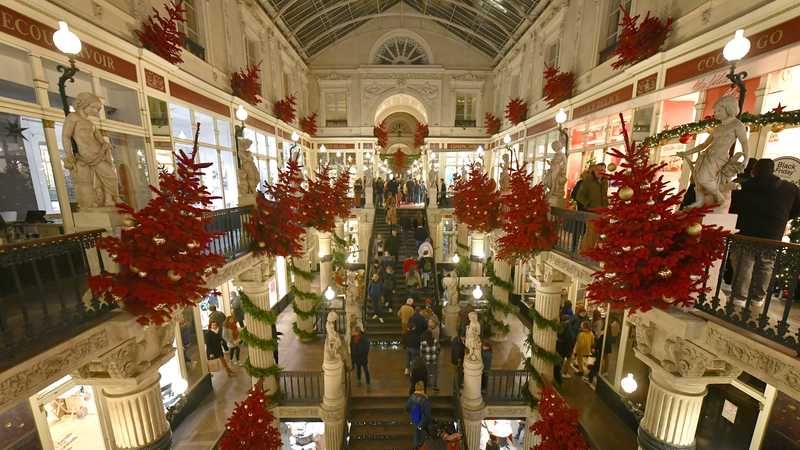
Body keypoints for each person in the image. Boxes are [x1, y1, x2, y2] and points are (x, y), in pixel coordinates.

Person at [729, 158, 800, 305]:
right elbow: (797, 209)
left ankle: (739, 298)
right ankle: (757, 298)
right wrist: (784, 217)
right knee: (766, 265)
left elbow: (733, 207)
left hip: (746, 231)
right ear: (772, 170)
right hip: (773, 234)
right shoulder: (790, 188)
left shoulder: (744, 186)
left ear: (755, 170)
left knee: (744, 263)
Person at [576, 163, 608, 252]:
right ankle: (584, 251)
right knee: (590, 232)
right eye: (599, 170)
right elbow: (579, 196)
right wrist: (588, 204)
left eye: (603, 170)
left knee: (598, 233)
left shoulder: (605, 181)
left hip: (602, 211)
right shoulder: (588, 181)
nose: (601, 172)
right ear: (594, 170)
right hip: (591, 211)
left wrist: (607, 208)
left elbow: (604, 195)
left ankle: (594, 252)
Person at [406, 381, 432, 449]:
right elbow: (427, 414)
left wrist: (412, 414)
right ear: (422, 389)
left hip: (414, 420)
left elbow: (407, 407)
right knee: (421, 440)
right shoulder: (424, 399)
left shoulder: (412, 397)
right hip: (422, 422)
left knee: (416, 437)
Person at [555, 315, 573, 382]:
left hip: (560, 345)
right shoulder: (567, 326)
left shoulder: (560, 326)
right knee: (564, 358)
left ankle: (559, 371)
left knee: (561, 358)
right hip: (565, 346)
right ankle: (561, 373)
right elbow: (569, 337)